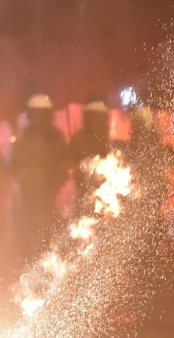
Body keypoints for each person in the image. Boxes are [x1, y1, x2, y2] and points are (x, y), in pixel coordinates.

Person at [10, 94, 70, 259]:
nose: (40, 118)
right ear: (30, 114)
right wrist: (28, 176)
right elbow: (15, 166)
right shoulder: (24, 137)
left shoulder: (56, 137)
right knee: (30, 237)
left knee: (50, 237)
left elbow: (64, 163)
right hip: (29, 199)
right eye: (36, 113)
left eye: (43, 114)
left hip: (50, 196)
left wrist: (54, 183)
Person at [68, 100, 112, 211]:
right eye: (94, 118)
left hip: (107, 195)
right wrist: (86, 165)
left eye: (101, 118)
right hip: (84, 193)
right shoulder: (78, 139)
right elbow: (69, 163)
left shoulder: (109, 139)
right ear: (88, 119)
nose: (98, 122)